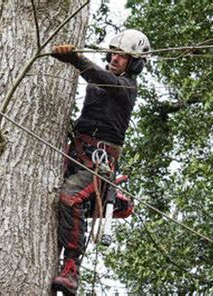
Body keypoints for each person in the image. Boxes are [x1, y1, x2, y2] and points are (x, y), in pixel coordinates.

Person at [50, 29, 151, 295]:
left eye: (123, 56)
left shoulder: (126, 88)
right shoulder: (100, 80)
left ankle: (71, 269)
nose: (116, 58)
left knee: (70, 197)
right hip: (77, 152)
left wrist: (76, 59)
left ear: (134, 63)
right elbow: (97, 77)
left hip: (99, 164)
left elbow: (99, 76)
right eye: (114, 52)